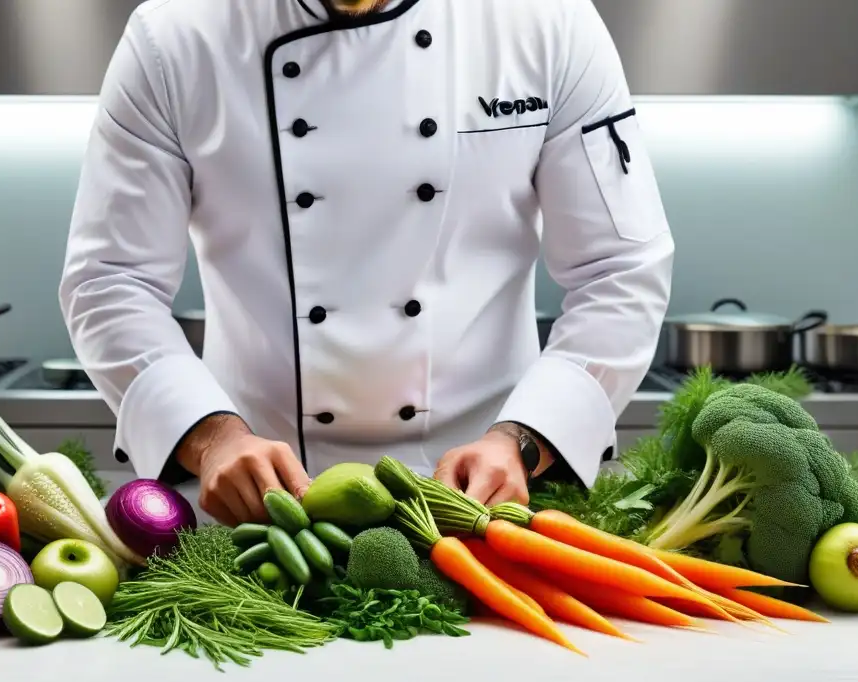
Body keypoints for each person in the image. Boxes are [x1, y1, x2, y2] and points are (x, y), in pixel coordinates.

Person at [60, 0, 674, 526]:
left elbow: (619, 270)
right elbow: (111, 282)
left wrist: (522, 440)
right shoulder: (175, 39)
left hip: (490, 510)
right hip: (261, 518)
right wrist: (213, 436)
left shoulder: (545, 23)